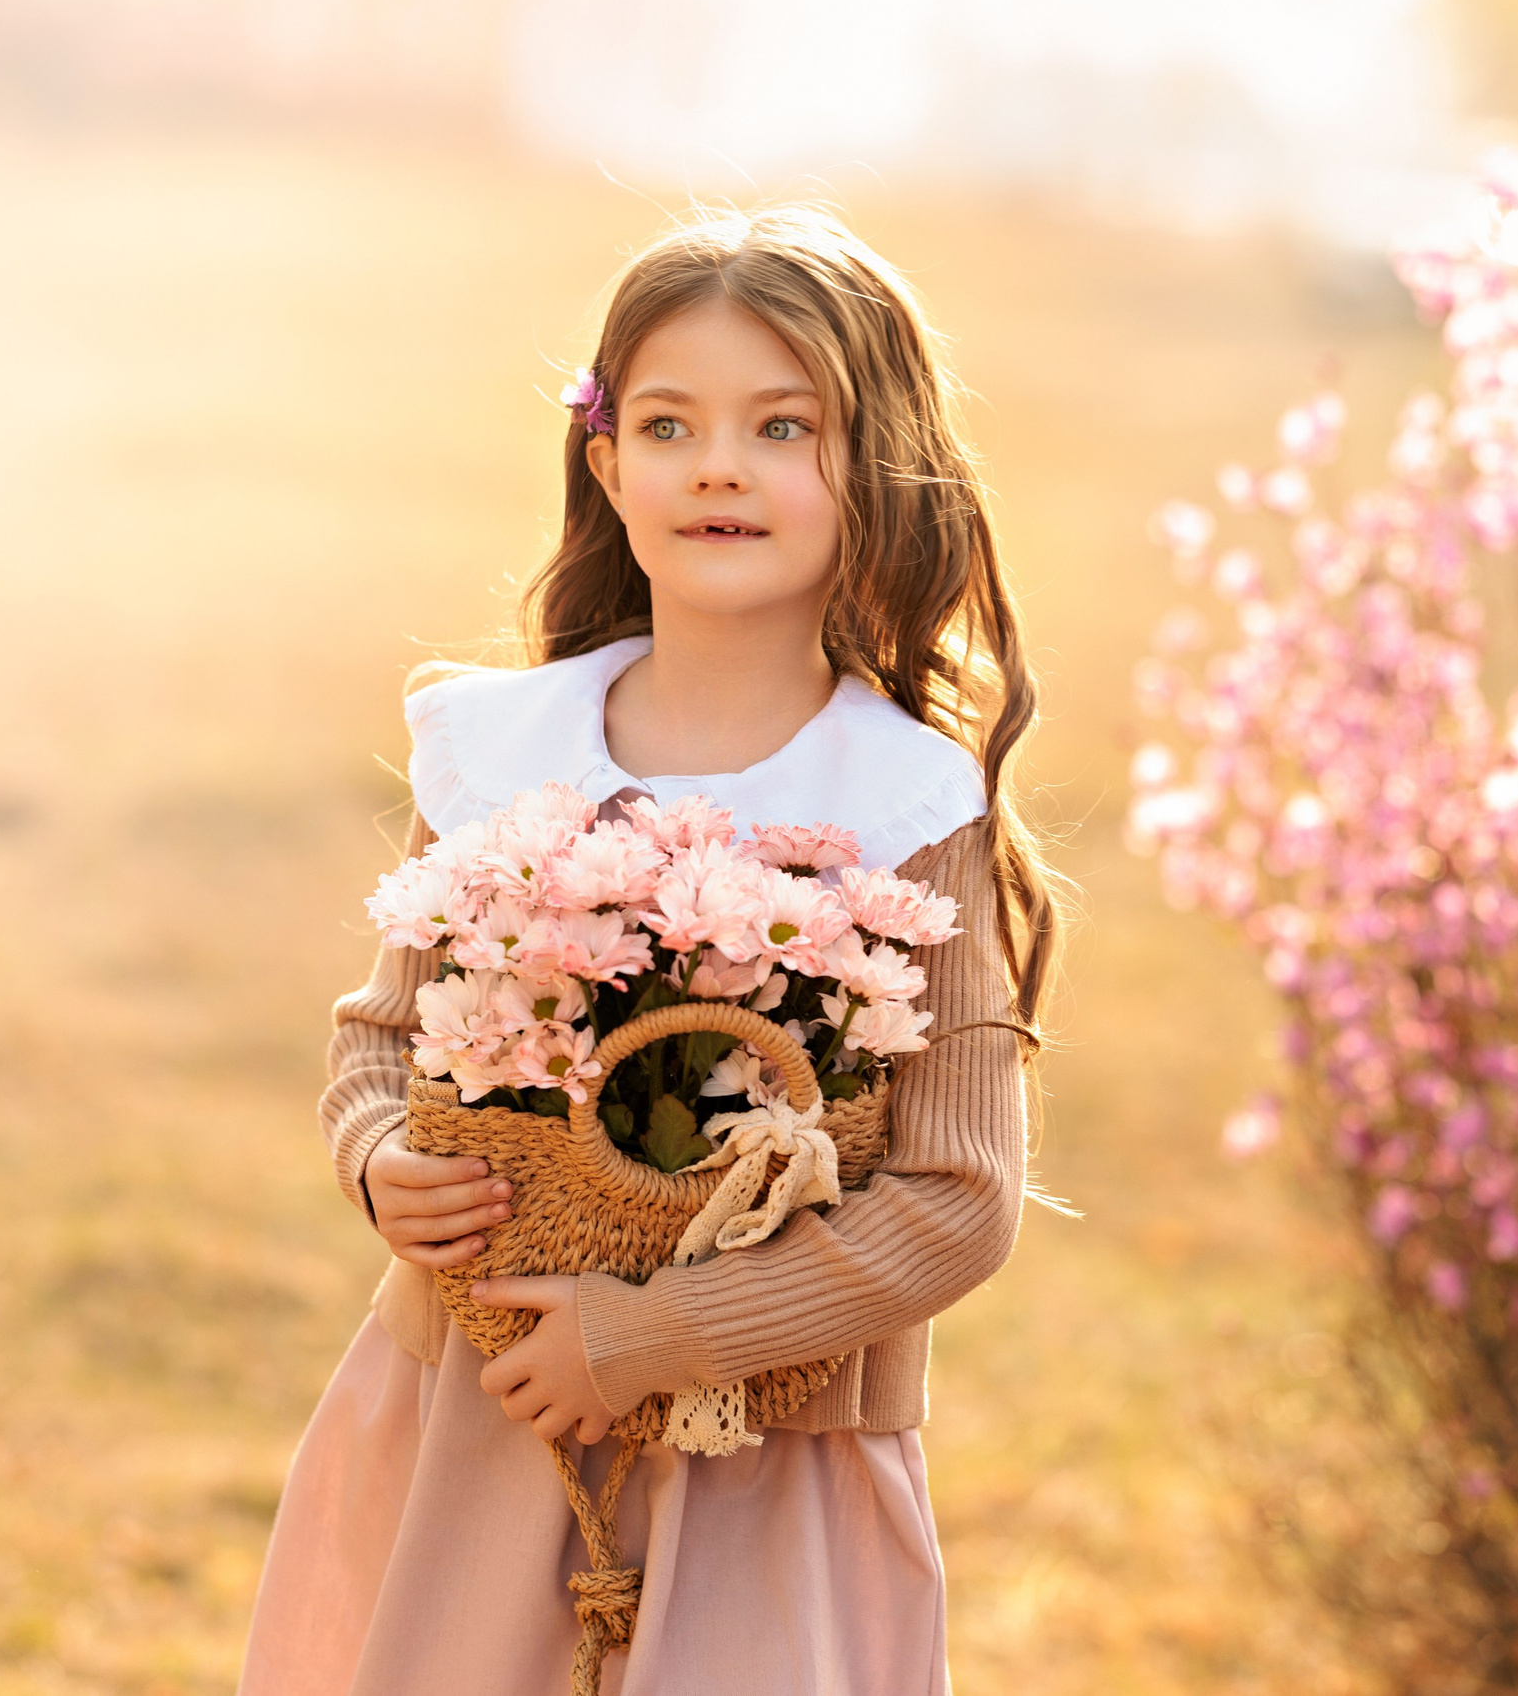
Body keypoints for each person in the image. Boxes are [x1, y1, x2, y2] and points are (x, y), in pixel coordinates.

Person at [238, 205, 1058, 1695]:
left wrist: (658, 1333)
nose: (718, 466)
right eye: (670, 425)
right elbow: (381, 1038)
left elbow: (960, 1200)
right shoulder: (504, 750)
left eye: (782, 427)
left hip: (764, 1459)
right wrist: (380, 1158)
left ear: (876, 471)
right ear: (609, 467)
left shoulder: (902, 802)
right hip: (483, 1409)